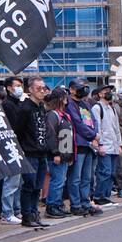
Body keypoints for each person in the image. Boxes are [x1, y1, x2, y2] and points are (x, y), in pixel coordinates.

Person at [11, 77, 51, 228]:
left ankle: (35, 214)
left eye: (43, 88)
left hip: (41, 152)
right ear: (31, 90)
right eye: (38, 88)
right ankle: (26, 215)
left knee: (37, 186)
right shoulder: (25, 108)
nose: (42, 91)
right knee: (29, 185)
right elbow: (18, 131)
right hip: (29, 153)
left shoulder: (41, 107)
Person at [64, 80, 102, 217]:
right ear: (72, 89)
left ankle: (86, 203)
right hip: (78, 144)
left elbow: (93, 120)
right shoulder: (69, 104)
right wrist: (93, 135)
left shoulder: (85, 103)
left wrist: (95, 135)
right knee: (75, 178)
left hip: (89, 144)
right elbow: (77, 123)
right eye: (80, 88)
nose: (84, 90)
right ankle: (75, 204)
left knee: (87, 177)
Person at [0, 77, 25, 225]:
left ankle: (16, 209)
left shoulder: (17, 104)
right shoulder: (7, 105)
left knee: (18, 182)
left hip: (18, 146)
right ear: (9, 88)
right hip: (11, 146)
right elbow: (15, 126)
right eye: (17, 86)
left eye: (21, 85)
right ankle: (7, 213)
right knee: (11, 181)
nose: (20, 88)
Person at [44, 89, 74, 219]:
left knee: (61, 181)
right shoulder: (53, 115)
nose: (66, 99)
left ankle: (58, 204)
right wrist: (55, 153)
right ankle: (52, 206)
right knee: (57, 181)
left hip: (65, 154)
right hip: (57, 155)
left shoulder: (63, 115)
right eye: (64, 97)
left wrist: (69, 155)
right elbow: (50, 135)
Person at [90, 86, 121, 209]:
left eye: (110, 91)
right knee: (104, 172)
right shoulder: (97, 108)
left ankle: (106, 196)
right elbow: (97, 127)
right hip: (104, 146)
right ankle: (99, 197)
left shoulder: (112, 108)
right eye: (106, 92)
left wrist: (119, 144)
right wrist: (100, 144)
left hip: (113, 145)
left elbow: (116, 128)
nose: (109, 93)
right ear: (100, 94)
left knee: (112, 173)